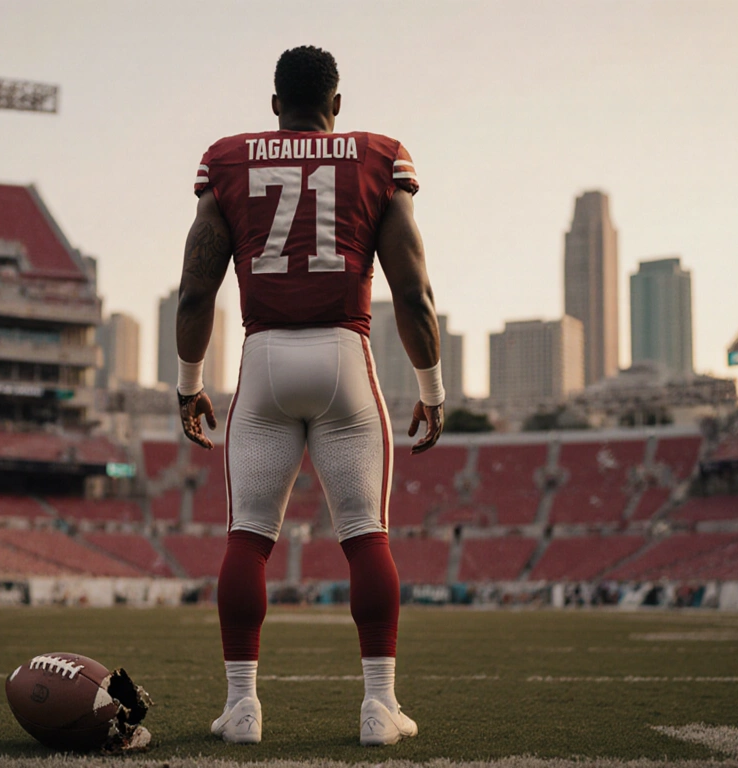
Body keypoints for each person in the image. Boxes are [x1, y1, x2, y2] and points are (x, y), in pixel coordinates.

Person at [173, 45, 444, 747]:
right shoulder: (380, 156)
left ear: (274, 105)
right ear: (337, 105)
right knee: (366, 538)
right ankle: (379, 707)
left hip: (263, 360)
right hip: (343, 358)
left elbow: (197, 285)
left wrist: (189, 385)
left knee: (247, 539)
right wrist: (432, 389)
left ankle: (242, 709)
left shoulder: (229, 157)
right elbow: (413, 292)